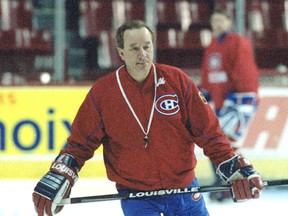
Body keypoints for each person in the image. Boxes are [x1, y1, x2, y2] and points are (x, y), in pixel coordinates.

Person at [32, 20, 264, 216]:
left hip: (182, 190)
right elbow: (79, 144)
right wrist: (60, 173)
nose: (142, 54)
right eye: (134, 48)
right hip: (136, 195)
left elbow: (209, 132)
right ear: (121, 52)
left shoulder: (177, 81)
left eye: (147, 46)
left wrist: (232, 166)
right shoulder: (103, 93)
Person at [199, 9, 260, 202]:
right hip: (222, 103)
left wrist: (232, 100)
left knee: (225, 142)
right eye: (214, 21)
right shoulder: (212, 46)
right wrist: (202, 95)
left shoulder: (238, 42)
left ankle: (238, 184)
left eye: (220, 21)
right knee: (216, 142)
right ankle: (225, 184)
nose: (217, 24)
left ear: (228, 22)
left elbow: (244, 73)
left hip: (239, 100)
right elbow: (209, 78)